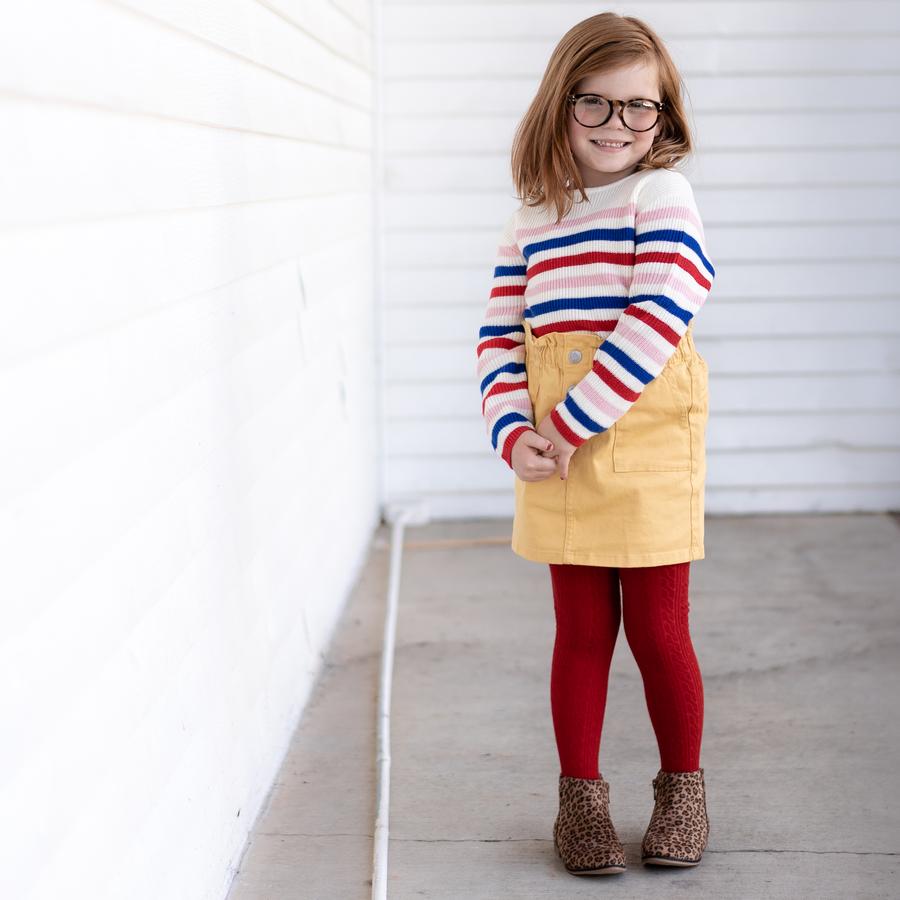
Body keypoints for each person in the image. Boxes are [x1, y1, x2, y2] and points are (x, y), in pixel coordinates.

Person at [475, 12, 716, 876]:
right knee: (579, 632)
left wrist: (570, 422)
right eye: (597, 104)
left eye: (639, 108)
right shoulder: (532, 217)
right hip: (554, 455)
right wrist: (514, 432)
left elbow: (659, 319)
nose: (619, 126)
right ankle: (580, 801)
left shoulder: (663, 198)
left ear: (664, 115)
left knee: (657, 632)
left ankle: (682, 789)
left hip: (640, 442)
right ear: (560, 102)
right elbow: (500, 338)